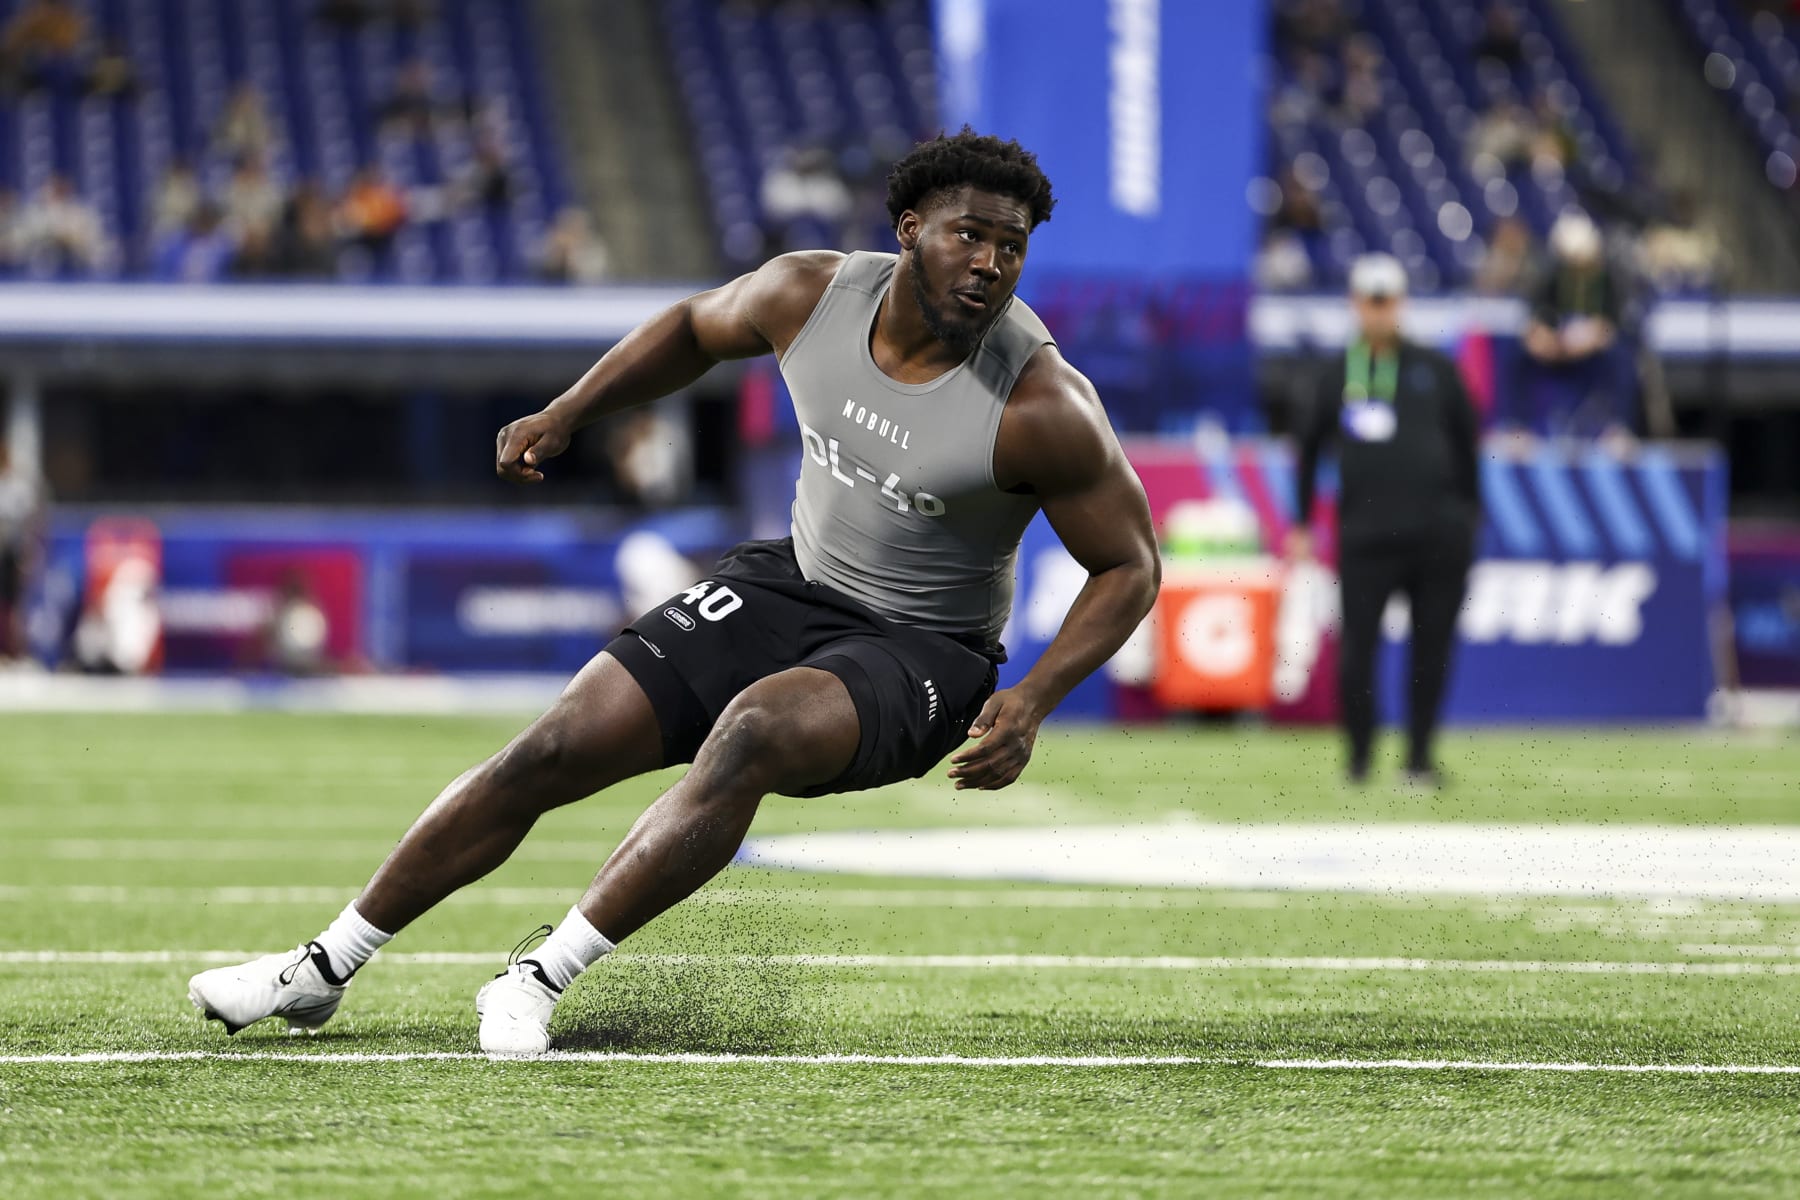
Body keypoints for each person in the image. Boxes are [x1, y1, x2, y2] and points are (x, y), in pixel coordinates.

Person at [187, 129, 1161, 1055]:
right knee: (554, 745)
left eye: (1012, 246)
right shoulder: (807, 295)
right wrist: (570, 411)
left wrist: (1032, 699)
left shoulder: (1042, 406)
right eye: (970, 235)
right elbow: (694, 329)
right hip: (793, 581)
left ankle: (535, 977)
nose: (990, 263)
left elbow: (1130, 565)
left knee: (753, 732)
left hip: (925, 653)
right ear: (909, 229)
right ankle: (323, 965)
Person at [1288, 254, 1481, 787]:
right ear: (1355, 304)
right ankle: (1359, 759)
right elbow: (1307, 452)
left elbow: (1468, 446)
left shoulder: (1437, 370)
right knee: (1358, 650)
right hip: (1366, 536)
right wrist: (1302, 521)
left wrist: (1469, 514)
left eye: (1387, 300)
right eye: (1370, 300)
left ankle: (1418, 759)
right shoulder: (1334, 375)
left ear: (1401, 304)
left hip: (1438, 534)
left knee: (1432, 647)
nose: (1378, 311)